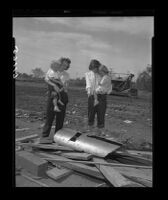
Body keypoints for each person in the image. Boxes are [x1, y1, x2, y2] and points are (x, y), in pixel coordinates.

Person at [39, 57, 71, 144]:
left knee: (60, 119)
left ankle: (57, 138)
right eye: (63, 64)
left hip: (62, 96)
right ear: (60, 63)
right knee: (49, 117)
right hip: (52, 96)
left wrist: (63, 87)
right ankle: (44, 137)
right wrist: (54, 85)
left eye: (66, 66)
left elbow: (66, 86)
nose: (64, 66)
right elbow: (46, 79)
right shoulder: (51, 70)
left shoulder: (66, 75)